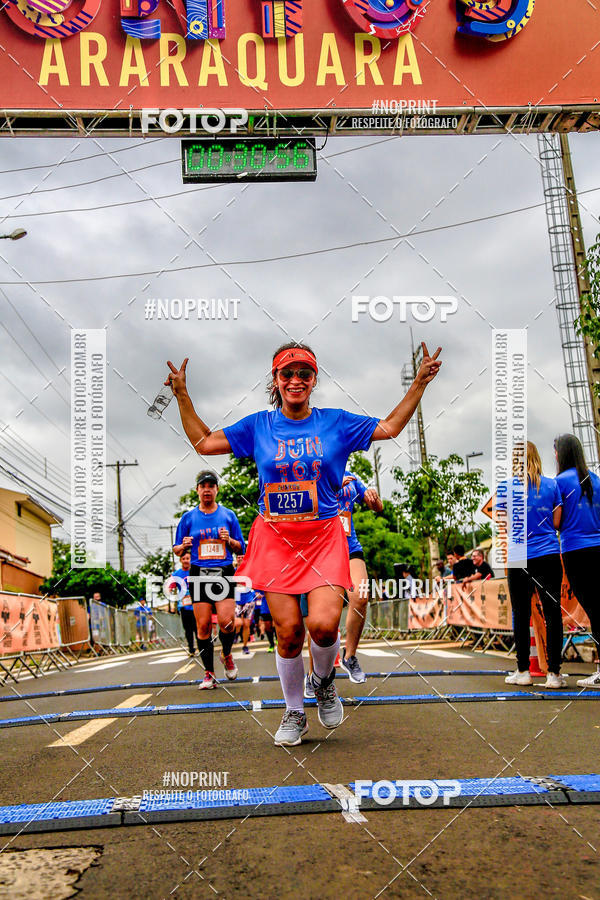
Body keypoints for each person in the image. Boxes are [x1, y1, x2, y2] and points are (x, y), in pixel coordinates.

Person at [166, 339, 441, 745]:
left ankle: (324, 680)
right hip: (275, 539)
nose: (295, 380)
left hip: (324, 536)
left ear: (313, 379)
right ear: (275, 381)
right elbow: (204, 442)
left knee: (325, 626)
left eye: (303, 373)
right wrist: (183, 396)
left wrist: (418, 383)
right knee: (290, 631)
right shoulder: (258, 425)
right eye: (287, 373)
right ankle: (295, 711)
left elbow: (390, 427)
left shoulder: (336, 422)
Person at [173, 470, 245, 689]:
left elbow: (241, 546)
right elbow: (176, 549)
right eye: (203, 486)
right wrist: (183, 546)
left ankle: (226, 654)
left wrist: (230, 540)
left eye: (211, 485)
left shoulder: (228, 515)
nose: (207, 489)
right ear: (197, 490)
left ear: (216, 490)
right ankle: (209, 673)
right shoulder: (188, 518)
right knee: (202, 626)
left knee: (227, 622)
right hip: (199, 572)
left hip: (222, 570)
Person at [503, 441, 566, 689]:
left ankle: (522, 671)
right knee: (552, 613)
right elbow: (558, 521)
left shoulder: (507, 488)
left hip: (519, 556)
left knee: (520, 613)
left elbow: (506, 526)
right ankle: (554, 674)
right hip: (549, 554)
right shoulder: (552, 485)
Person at [555, 433, 600, 688]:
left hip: (575, 551)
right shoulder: (595, 480)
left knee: (593, 610)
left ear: (561, 453)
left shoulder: (559, 483)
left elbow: (557, 521)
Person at [336, 470, 383, 683]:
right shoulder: (312, 471)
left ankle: (350, 655)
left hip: (349, 547)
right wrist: (332, 484)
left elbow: (378, 508)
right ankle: (315, 674)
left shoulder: (351, 477)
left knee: (361, 597)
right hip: (321, 549)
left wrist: (373, 498)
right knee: (325, 616)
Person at [166, 550, 198, 655]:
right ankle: (191, 649)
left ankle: (202, 646)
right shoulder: (177, 574)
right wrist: (170, 589)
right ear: (180, 560)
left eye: (187, 558)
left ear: (191, 559)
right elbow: (170, 586)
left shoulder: (196, 570)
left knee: (197, 627)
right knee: (188, 629)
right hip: (183, 606)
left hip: (197, 605)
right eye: (183, 559)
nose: (185, 561)